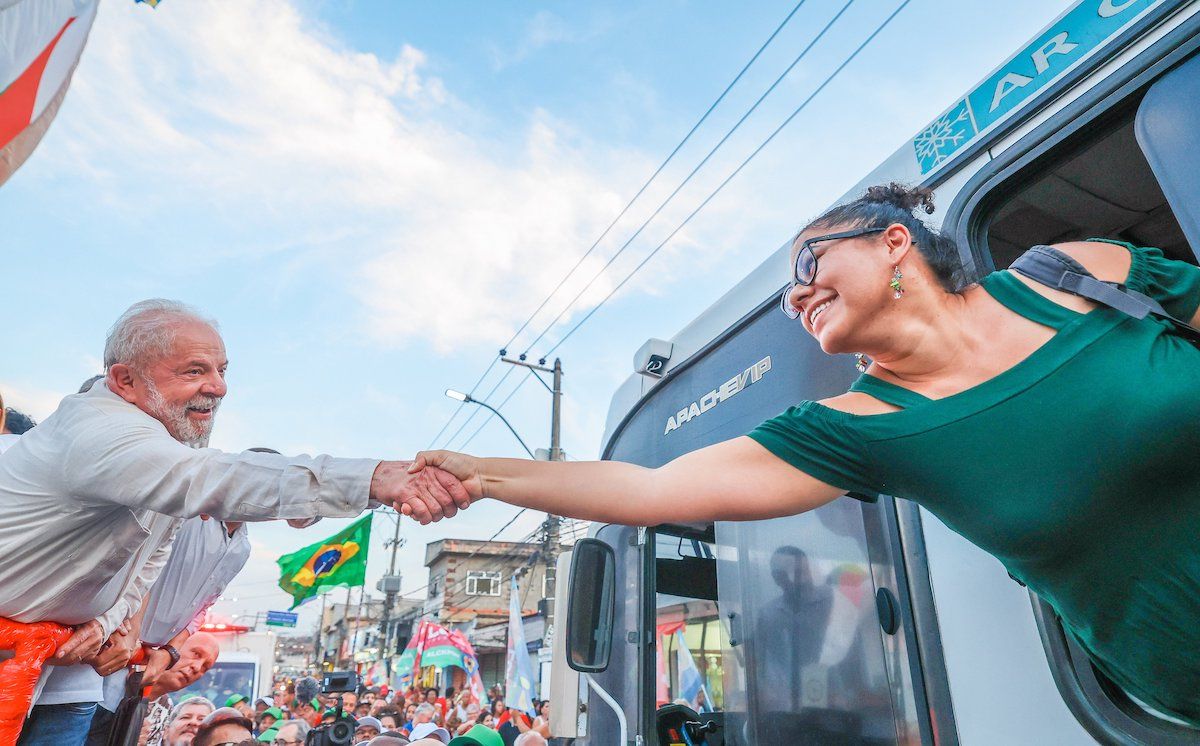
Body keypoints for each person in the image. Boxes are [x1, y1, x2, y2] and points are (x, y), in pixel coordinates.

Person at [410, 183, 1200, 727]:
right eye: (794, 289)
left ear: (895, 243)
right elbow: (649, 487)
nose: (795, 296)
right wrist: (479, 476)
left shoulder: (1078, 272)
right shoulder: (854, 426)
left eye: (806, 267)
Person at [0, 300, 470, 741]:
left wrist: (106, 623)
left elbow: (143, 567)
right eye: (195, 371)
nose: (219, 387)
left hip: (70, 673)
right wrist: (379, 478)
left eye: (221, 371)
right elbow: (214, 478)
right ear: (124, 380)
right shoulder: (97, 432)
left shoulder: (178, 457)